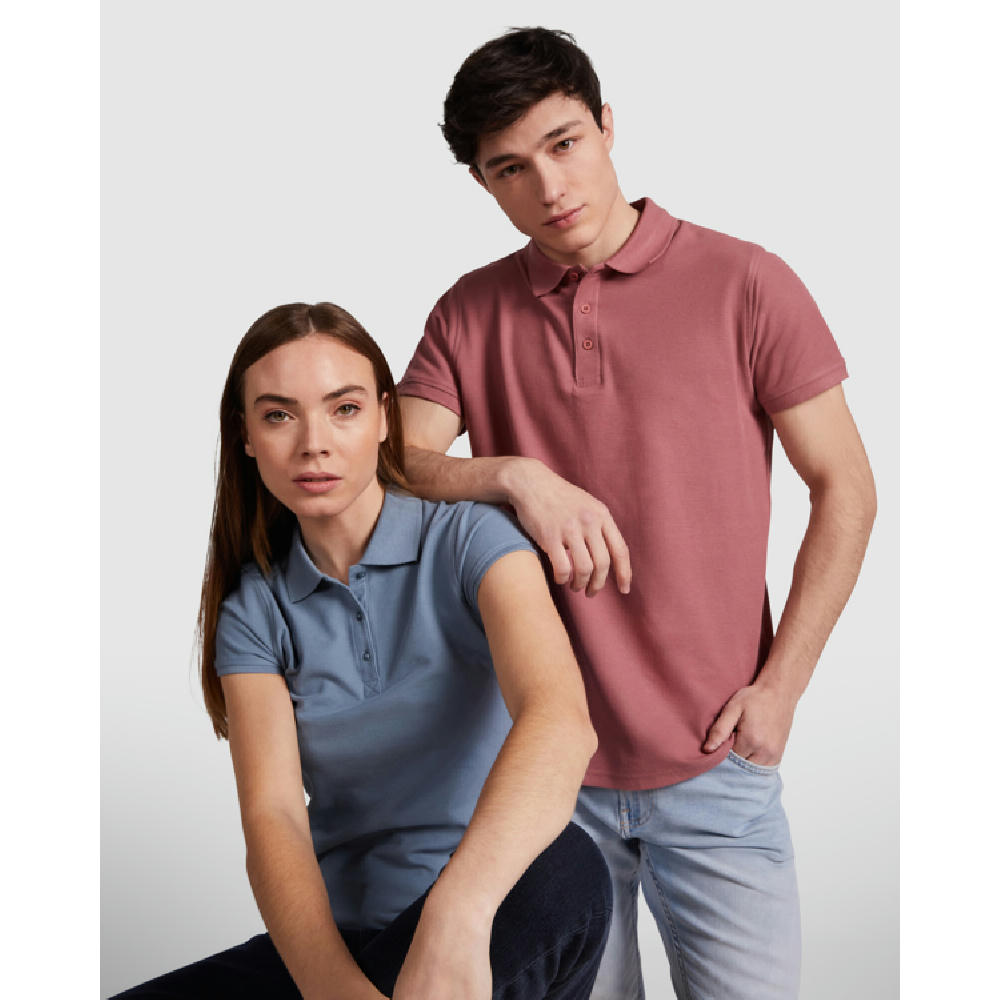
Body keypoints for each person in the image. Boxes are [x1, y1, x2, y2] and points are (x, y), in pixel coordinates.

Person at [397, 27, 878, 1000]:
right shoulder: (470, 311)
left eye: (564, 143)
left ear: (608, 126)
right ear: (484, 184)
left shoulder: (747, 282)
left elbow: (846, 487)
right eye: (511, 168)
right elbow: (395, 463)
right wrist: (516, 475)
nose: (549, 185)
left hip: (716, 762)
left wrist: (781, 688)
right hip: (545, 783)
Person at [111, 302, 612, 1000]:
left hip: (497, 906)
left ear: (383, 418)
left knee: (565, 864)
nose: (313, 444)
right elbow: (274, 817)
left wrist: (454, 918)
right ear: (246, 436)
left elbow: (559, 721)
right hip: (346, 942)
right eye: (279, 416)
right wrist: (334, 988)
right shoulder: (253, 610)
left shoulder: (473, 541)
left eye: (343, 409)